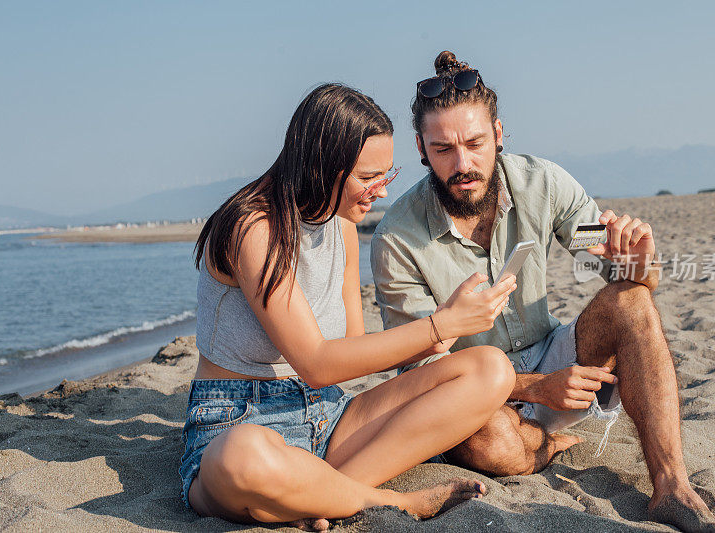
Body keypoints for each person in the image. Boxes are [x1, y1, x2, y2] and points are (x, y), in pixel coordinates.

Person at [371, 52, 715, 533]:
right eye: (443, 150)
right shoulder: (396, 238)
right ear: (421, 148)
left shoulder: (543, 182)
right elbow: (418, 373)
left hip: (554, 354)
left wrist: (637, 263)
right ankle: (544, 443)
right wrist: (534, 388)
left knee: (632, 300)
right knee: (490, 444)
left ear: (498, 135)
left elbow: (609, 268)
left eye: (476, 143)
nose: (463, 164)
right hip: (471, 392)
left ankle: (672, 488)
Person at [179, 83, 519, 529]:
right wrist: (436, 326)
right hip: (236, 420)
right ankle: (391, 502)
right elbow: (317, 363)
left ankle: (320, 497)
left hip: (328, 416)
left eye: (386, 175)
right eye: (367, 177)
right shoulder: (253, 229)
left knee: (490, 368)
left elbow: (353, 350)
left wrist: (446, 331)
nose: (380, 191)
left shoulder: (340, 226)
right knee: (240, 457)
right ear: (322, 166)